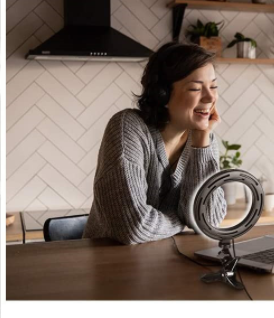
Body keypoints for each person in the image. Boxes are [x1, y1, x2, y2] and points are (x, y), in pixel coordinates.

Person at [82, 42, 227, 245]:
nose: (210, 97)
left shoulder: (204, 139)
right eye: (195, 88)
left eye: (213, 86)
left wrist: (202, 143)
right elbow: (133, 227)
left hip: (166, 263)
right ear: (163, 95)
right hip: (110, 264)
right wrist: (181, 219)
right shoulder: (128, 127)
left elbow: (207, 221)